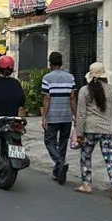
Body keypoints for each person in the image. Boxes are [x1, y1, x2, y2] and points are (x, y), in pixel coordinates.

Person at [74, 62, 112, 202]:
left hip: (89, 129)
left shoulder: (84, 91)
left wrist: (79, 134)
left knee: (85, 156)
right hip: (108, 129)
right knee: (111, 159)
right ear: (104, 75)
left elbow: (81, 114)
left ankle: (86, 185)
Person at [41, 51, 77, 185]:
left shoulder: (47, 78)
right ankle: (57, 172)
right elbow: (72, 98)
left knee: (49, 141)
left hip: (53, 116)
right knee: (62, 143)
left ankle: (60, 163)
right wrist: (75, 115)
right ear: (61, 63)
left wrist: (44, 117)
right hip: (66, 116)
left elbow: (47, 98)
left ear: (50, 64)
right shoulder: (70, 77)